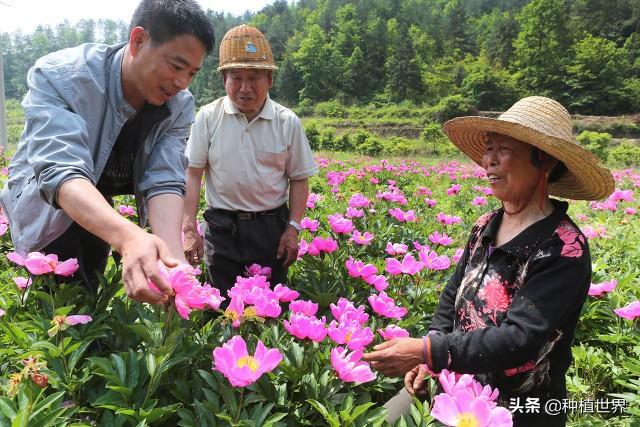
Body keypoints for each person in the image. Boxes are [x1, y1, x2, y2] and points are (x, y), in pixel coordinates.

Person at [362, 96, 614, 426]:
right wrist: (432, 355)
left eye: (503, 150)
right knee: (381, 419)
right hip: (457, 384)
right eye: (488, 149)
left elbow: (518, 340)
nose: (488, 162)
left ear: (545, 161)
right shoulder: (485, 225)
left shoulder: (564, 249)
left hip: (520, 408)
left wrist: (428, 351)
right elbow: (453, 296)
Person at [0, 0, 215, 305]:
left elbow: (164, 180)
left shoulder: (178, 105)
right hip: (49, 205)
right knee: (58, 305)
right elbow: (60, 172)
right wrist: (128, 237)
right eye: (175, 66)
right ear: (138, 41)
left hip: (100, 204)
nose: (181, 83)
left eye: (191, 73)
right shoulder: (60, 77)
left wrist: (175, 265)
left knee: (94, 295)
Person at [182, 24, 318, 301]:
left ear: (270, 79)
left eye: (254, 78)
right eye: (236, 77)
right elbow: (193, 173)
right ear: (224, 80)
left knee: (270, 309)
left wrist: (293, 228)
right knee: (222, 306)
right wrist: (188, 227)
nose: (245, 88)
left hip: (270, 229)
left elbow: (300, 179)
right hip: (221, 229)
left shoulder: (286, 121)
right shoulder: (208, 117)